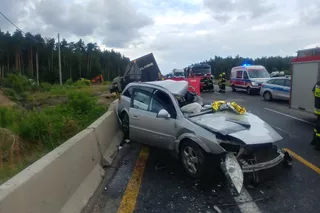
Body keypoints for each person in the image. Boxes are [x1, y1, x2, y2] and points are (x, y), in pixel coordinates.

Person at [311, 80, 320, 150]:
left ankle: (313, 141)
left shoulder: (318, 83)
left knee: (317, 125)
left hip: (317, 108)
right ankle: (318, 146)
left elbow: (313, 92)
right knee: (319, 129)